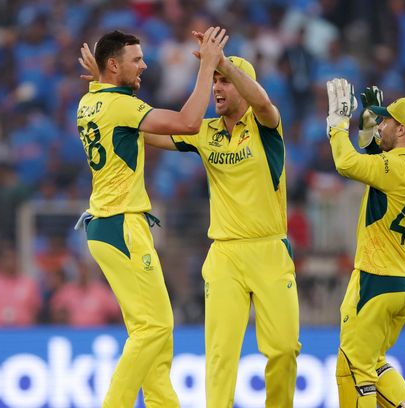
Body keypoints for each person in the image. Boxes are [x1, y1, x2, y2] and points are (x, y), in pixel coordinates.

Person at [84, 33, 301, 406]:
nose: (217, 88)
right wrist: (106, 86)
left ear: (243, 87)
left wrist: (222, 61)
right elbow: (141, 131)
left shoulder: (265, 127)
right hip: (224, 255)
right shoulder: (205, 132)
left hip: (269, 251)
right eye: (214, 80)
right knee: (219, 356)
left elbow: (263, 102)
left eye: (224, 82)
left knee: (283, 349)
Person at [74, 28, 227, 407]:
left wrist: (100, 78)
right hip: (122, 225)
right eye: (137, 60)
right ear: (114, 66)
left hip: (106, 225)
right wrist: (207, 65)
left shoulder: (89, 102)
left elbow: (108, 99)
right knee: (155, 327)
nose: (144, 65)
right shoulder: (120, 106)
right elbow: (189, 122)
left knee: (153, 337)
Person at [326, 77, 405, 408]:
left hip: (376, 280)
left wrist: (337, 124)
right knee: (374, 361)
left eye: (386, 122)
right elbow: (377, 164)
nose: (381, 125)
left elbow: (347, 163)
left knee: (353, 369)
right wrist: (369, 127)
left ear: (401, 129)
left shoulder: (395, 167)